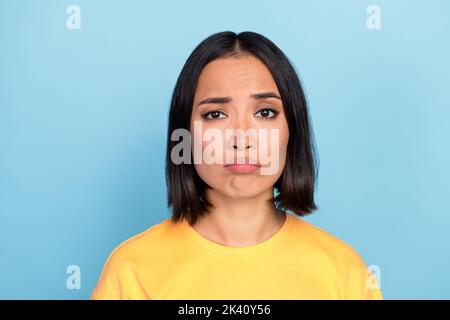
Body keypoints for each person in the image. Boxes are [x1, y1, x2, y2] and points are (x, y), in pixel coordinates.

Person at [90, 31, 383, 300]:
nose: (241, 138)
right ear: (185, 135)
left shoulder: (344, 273)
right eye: (216, 114)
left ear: (292, 131)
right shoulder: (130, 270)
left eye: (265, 112)